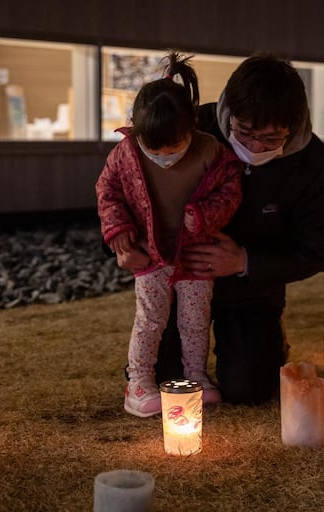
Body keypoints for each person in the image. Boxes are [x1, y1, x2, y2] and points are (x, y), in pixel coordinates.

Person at [119, 52, 324, 406]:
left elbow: (314, 251)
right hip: (179, 281)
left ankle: (270, 341)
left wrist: (244, 261)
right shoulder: (191, 127)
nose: (254, 147)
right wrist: (120, 244)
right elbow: (124, 184)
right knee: (167, 381)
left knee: (249, 388)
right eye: (245, 132)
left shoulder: (316, 166)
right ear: (229, 112)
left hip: (250, 291)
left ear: (294, 125)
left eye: (271, 139)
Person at [96, 52, 242, 418]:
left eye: (174, 148)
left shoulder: (212, 152)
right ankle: (139, 381)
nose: (164, 156)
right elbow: (107, 190)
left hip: (195, 252)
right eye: (154, 149)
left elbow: (230, 191)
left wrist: (203, 217)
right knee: (150, 318)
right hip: (151, 252)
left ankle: (197, 376)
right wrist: (119, 232)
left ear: (192, 127)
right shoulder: (125, 154)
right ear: (136, 130)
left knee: (195, 320)